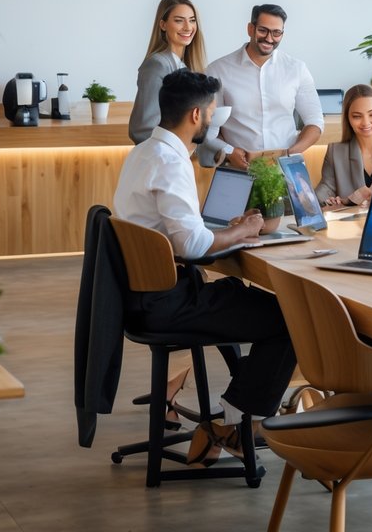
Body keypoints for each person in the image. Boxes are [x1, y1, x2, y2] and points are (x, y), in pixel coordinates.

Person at [113, 68, 297, 466]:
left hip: (145, 296)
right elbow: (193, 245)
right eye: (212, 111)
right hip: (167, 303)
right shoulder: (170, 161)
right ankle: (233, 423)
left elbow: (179, 232)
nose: (213, 119)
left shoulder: (143, 152)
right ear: (196, 115)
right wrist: (244, 230)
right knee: (289, 318)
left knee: (243, 298)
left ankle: (235, 412)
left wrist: (226, 230)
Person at [200, 3, 323, 168]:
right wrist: (228, 151)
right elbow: (208, 126)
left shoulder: (297, 69)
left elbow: (315, 122)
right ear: (250, 29)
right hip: (239, 170)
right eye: (263, 30)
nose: (269, 38)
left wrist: (290, 154)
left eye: (276, 33)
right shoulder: (218, 70)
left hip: (285, 170)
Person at [128, 0, 223, 160]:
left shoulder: (187, 68)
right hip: (161, 164)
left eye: (192, 20)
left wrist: (223, 151)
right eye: (179, 20)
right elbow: (142, 129)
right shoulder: (157, 65)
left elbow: (188, 130)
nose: (188, 27)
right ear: (163, 25)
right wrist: (175, 158)